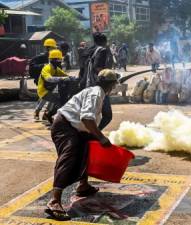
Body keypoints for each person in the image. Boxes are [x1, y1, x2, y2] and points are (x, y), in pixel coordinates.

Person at [45, 69, 117, 221]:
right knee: (69, 157)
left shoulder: (97, 92)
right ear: (111, 85)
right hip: (65, 126)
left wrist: (95, 137)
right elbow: (87, 119)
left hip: (75, 127)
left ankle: (83, 186)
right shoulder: (96, 93)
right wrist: (101, 137)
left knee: (87, 151)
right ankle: (54, 201)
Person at [81, 32, 113, 130]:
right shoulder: (102, 50)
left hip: (85, 85)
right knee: (107, 115)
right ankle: (94, 135)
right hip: (99, 86)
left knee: (90, 114)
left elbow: (82, 68)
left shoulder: (87, 50)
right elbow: (98, 68)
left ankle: (90, 134)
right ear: (104, 41)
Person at [37, 49, 70, 124]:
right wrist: (62, 78)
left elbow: (65, 76)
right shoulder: (47, 68)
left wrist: (74, 78)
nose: (59, 61)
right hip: (43, 91)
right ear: (52, 60)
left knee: (62, 99)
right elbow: (49, 79)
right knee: (59, 101)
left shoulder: (56, 69)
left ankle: (47, 114)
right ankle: (48, 115)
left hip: (50, 90)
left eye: (60, 59)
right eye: (58, 60)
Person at [30, 38, 57, 120]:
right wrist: (43, 65)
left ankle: (46, 113)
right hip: (42, 80)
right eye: (53, 48)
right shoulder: (39, 58)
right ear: (48, 48)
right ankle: (37, 111)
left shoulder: (54, 58)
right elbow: (33, 67)